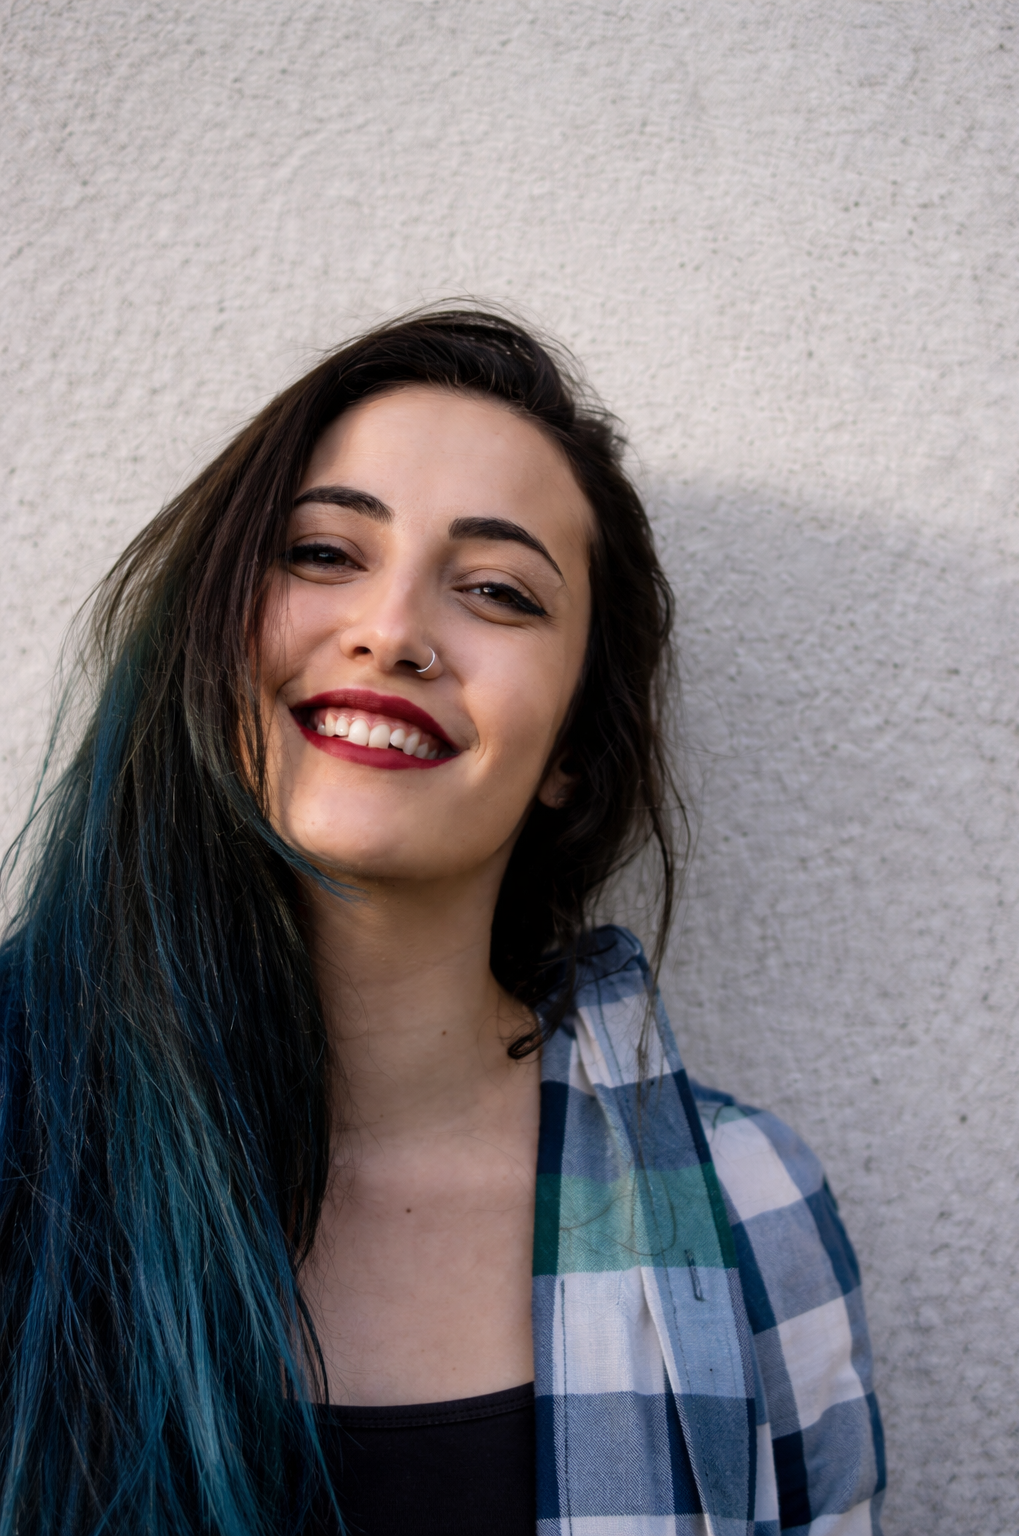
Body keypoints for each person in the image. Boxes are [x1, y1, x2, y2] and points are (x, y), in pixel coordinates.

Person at [0, 309, 885, 1536]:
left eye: (496, 592)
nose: (394, 632)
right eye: (322, 552)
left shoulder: (745, 1210)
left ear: (571, 750)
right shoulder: (19, 1131)